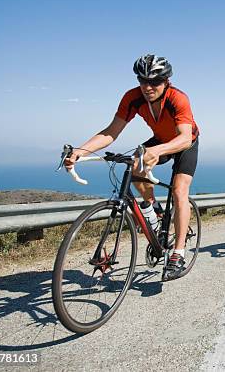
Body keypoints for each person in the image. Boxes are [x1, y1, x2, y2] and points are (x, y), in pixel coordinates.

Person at [64, 54, 199, 281]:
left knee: (179, 191)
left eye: (154, 81)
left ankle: (178, 253)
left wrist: (157, 151)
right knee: (135, 165)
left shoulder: (178, 98)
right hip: (160, 139)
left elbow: (185, 138)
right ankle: (152, 210)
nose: (148, 87)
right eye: (142, 80)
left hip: (184, 143)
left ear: (167, 81)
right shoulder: (132, 98)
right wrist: (80, 151)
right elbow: (111, 132)